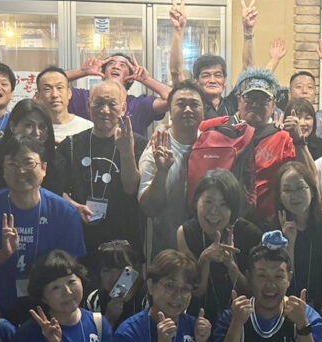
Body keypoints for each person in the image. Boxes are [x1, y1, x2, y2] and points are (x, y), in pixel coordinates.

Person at [0, 136, 86, 323]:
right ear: (3, 170)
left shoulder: (64, 213)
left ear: (44, 168)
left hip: (51, 311)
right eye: (12, 164)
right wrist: (2, 255)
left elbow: (74, 271)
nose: (20, 171)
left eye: (29, 163)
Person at [59, 80, 144, 265]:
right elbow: (58, 189)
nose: (105, 110)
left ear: (123, 108)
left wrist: (126, 152)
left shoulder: (137, 143)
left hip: (124, 240)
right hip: (82, 239)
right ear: (88, 106)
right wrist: (74, 206)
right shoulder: (70, 145)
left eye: (112, 104)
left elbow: (131, 189)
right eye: (98, 103)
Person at [231, 68, 315, 226]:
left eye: (263, 99)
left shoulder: (282, 138)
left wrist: (299, 141)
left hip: (270, 223)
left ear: (274, 104)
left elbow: (310, 180)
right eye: (249, 98)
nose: (255, 104)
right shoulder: (225, 134)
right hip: (229, 221)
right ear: (238, 101)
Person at [177, 169, 262, 323]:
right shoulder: (186, 232)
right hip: (200, 317)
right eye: (208, 202)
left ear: (233, 209)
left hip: (244, 318)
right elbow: (196, 292)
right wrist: (204, 259)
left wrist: (231, 265)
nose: (214, 212)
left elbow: (254, 292)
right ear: (196, 202)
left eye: (224, 204)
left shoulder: (250, 234)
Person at [139, 81, 206, 256]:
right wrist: (162, 172)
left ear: (204, 110)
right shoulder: (156, 148)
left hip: (206, 248)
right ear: (169, 109)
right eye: (181, 104)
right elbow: (149, 208)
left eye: (194, 104)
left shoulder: (212, 145)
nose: (188, 110)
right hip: (167, 251)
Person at [275, 161, 322, 309]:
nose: (294, 195)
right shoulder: (272, 229)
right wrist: (289, 244)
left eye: (300, 188)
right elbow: (276, 279)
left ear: (313, 191)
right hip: (282, 307)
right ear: (280, 196)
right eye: (287, 190)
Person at [168, 0, 255, 119]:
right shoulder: (193, 105)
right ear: (196, 81)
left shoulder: (231, 104)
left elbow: (248, 70)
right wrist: (179, 31)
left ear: (225, 81)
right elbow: (176, 72)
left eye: (218, 75)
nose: (212, 80)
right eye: (206, 75)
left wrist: (248, 31)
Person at [0, 98, 66, 200]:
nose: (36, 133)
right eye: (28, 125)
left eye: (42, 127)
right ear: (12, 126)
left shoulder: (56, 161)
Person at [66, 52, 169, 138]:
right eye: (111, 64)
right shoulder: (87, 98)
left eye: (122, 65)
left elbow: (173, 100)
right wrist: (82, 72)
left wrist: (147, 80)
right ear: (103, 74)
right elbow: (56, 84)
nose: (116, 67)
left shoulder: (140, 104)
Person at [280, 37, 322, 139]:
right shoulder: (281, 117)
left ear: (315, 95)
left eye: (310, 87)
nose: (304, 91)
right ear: (289, 94)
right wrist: (274, 60)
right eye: (299, 87)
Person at [85, 240, 145, 330]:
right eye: (106, 270)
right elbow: (90, 335)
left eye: (121, 269)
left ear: (135, 270)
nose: (114, 277)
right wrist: (109, 319)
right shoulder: (94, 300)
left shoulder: (148, 297)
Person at [35, 66, 93, 144]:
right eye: (47, 89)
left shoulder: (87, 128)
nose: (55, 95)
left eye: (60, 87)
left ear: (69, 93)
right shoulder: (34, 130)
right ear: (38, 96)